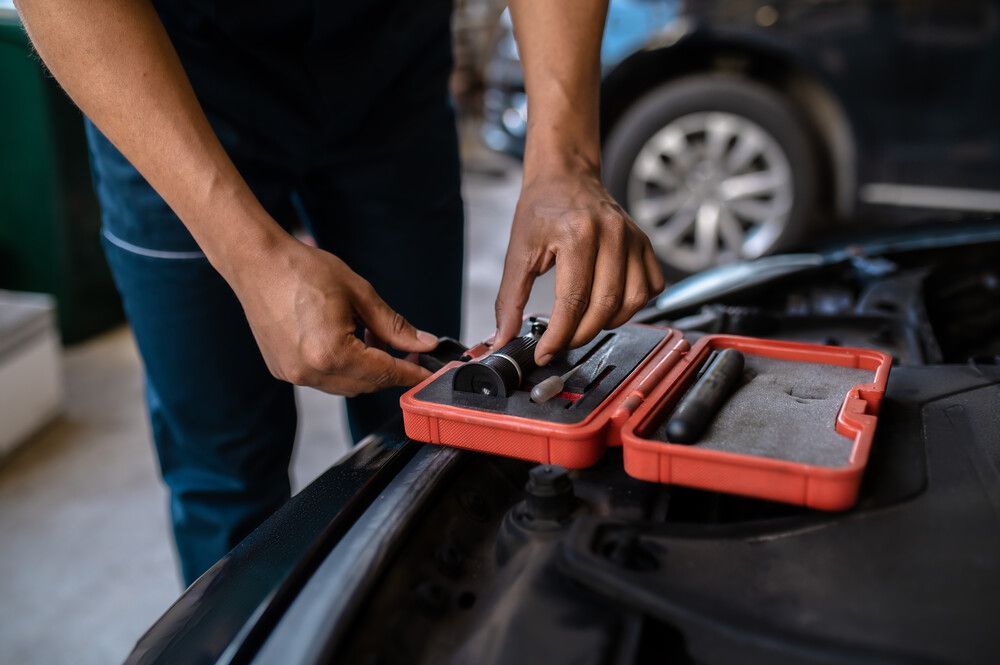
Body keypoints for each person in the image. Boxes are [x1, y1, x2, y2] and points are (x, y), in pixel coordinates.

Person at [14, 0, 664, 585]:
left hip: (389, 71)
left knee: (417, 431)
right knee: (223, 471)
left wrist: (564, 163)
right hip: (169, 81)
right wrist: (248, 254)